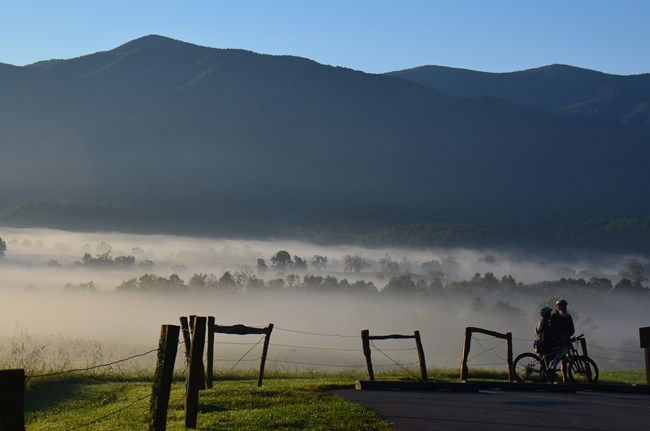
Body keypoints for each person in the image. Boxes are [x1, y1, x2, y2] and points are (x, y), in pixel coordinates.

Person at [550, 299, 575, 382]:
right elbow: (551, 329)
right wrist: (560, 334)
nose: (563, 308)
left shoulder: (568, 316)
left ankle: (565, 377)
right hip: (556, 341)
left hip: (566, 341)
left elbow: (572, 329)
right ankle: (552, 375)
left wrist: (567, 334)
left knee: (564, 360)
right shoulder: (554, 316)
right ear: (557, 307)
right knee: (555, 359)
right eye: (561, 306)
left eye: (564, 306)